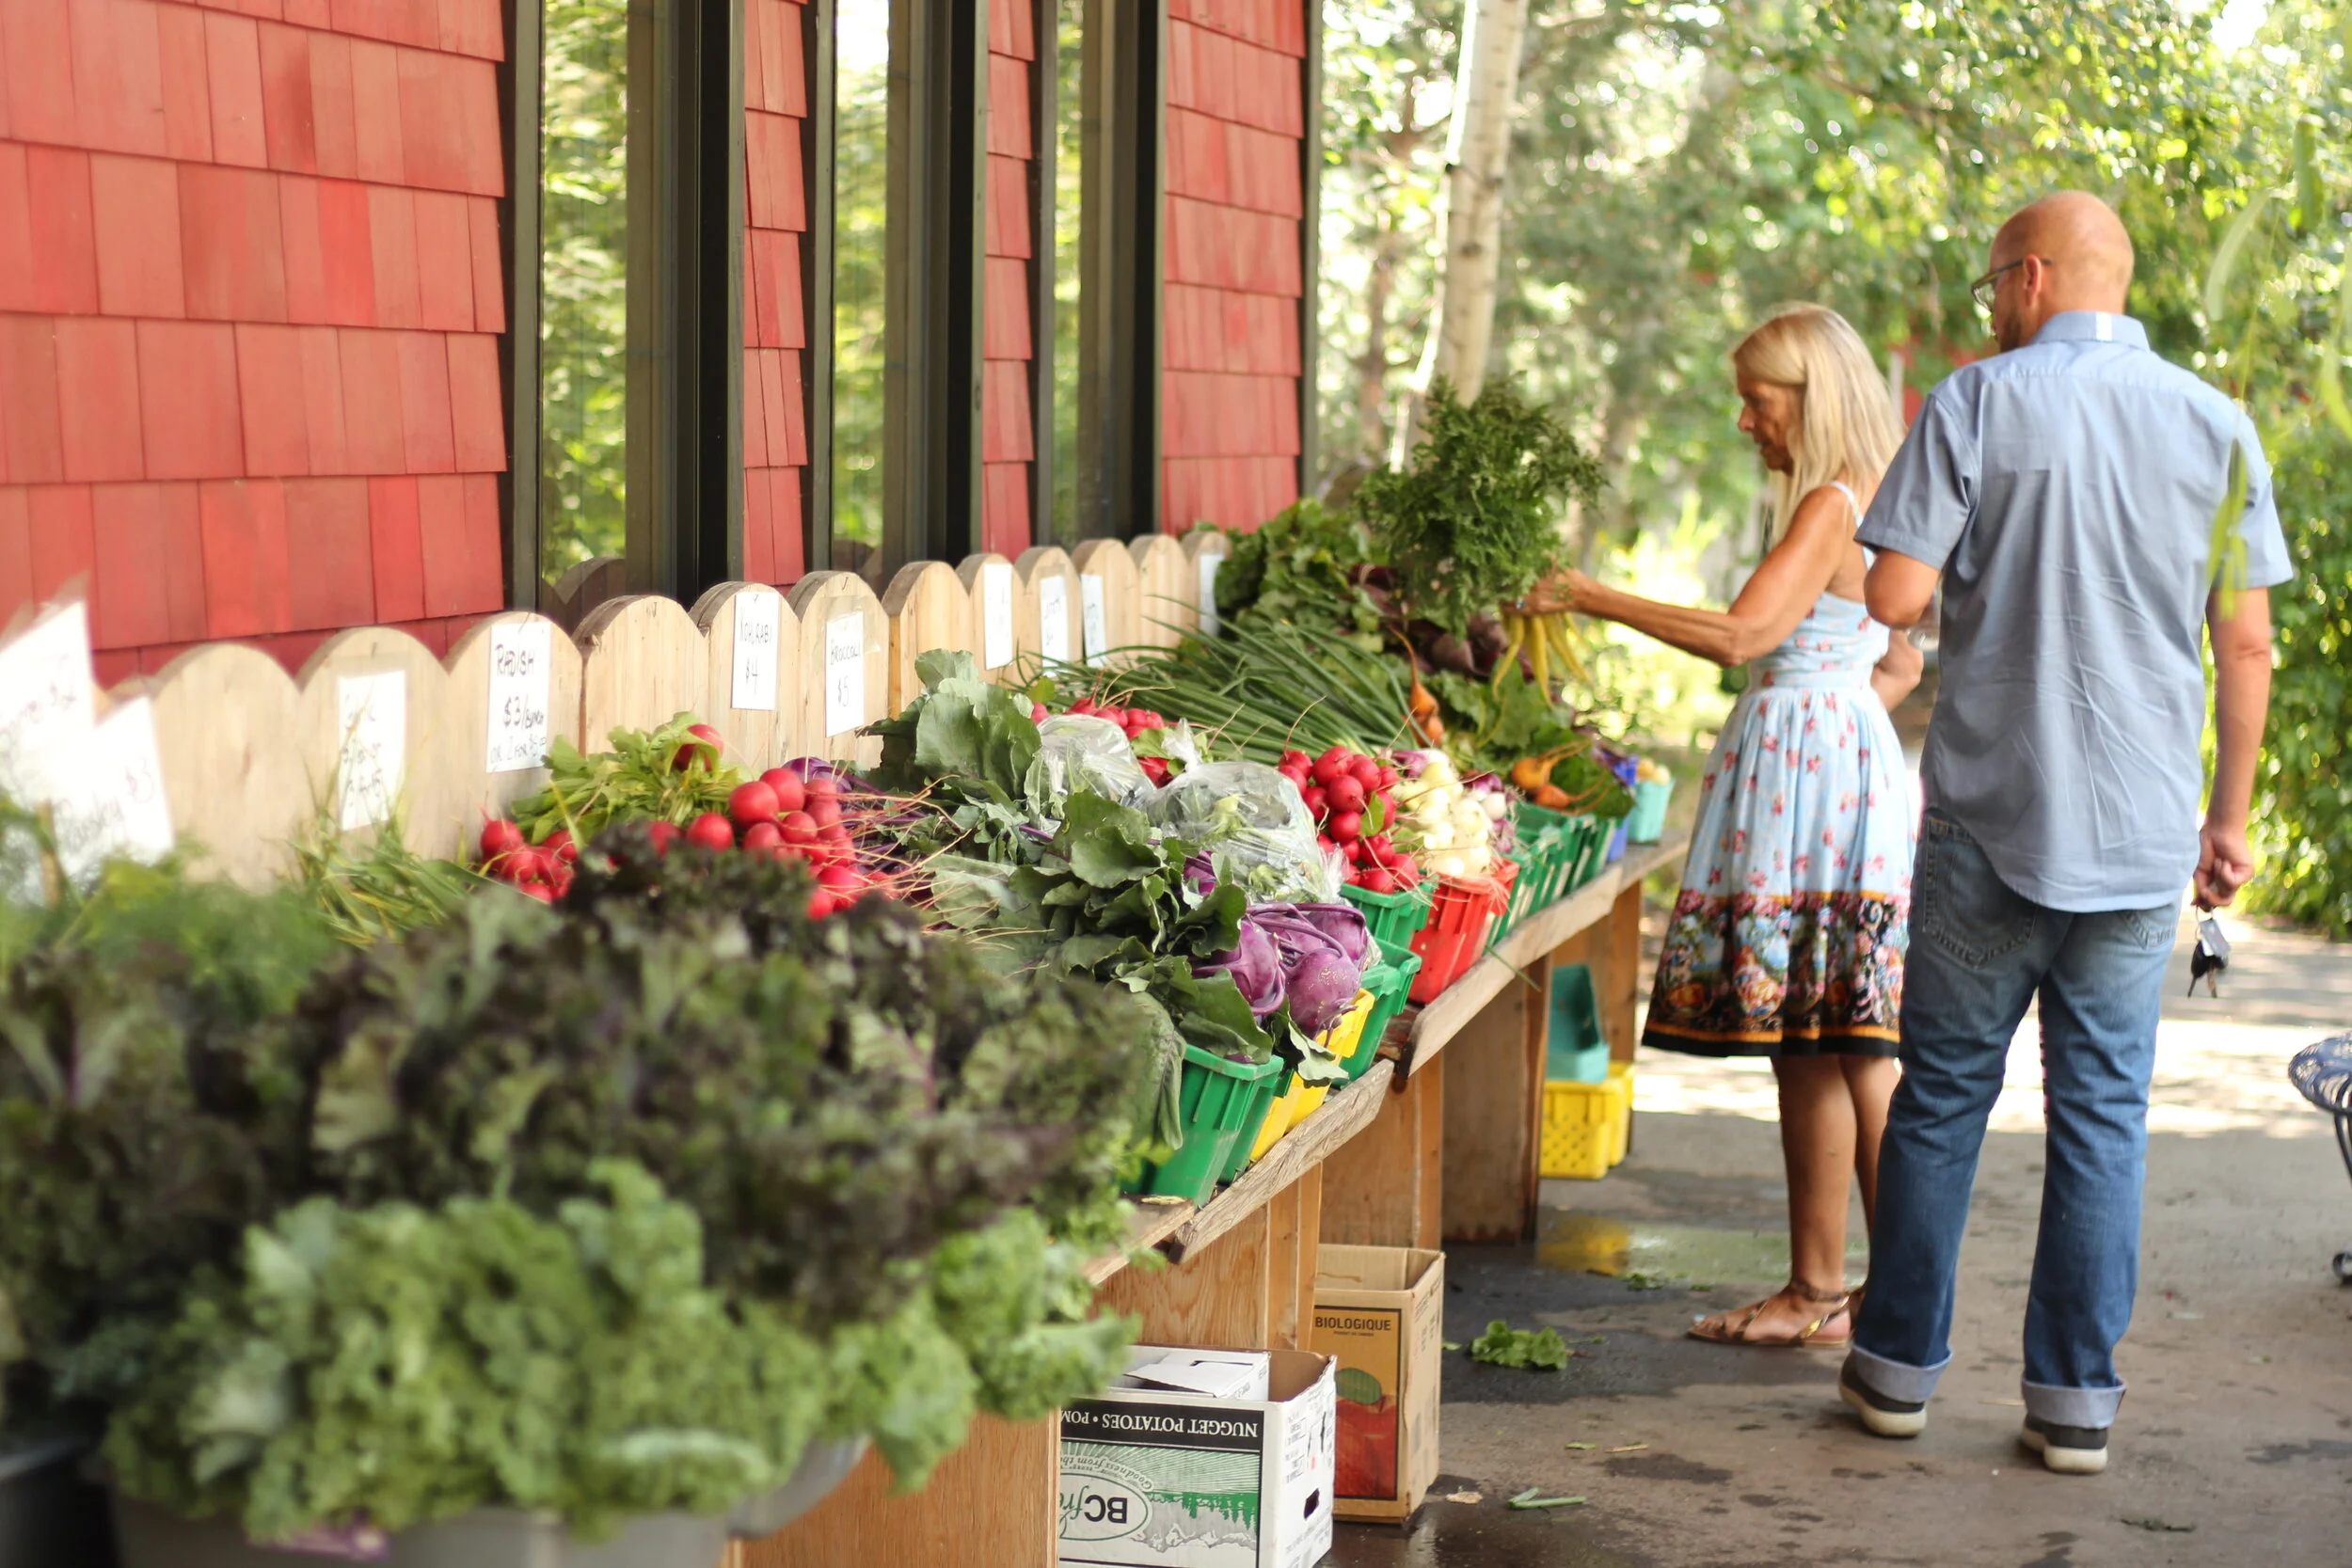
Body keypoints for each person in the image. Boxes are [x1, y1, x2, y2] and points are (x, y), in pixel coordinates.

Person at [1836, 192, 2289, 1476]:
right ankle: (2074, 1404)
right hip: (2144, 831)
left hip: (1990, 814)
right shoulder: (2218, 423)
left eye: (1992, 283)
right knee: (2101, 1115)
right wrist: (2230, 819)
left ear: (2032, 277)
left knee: (1940, 1104)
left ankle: (1895, 1375)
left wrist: (1948, 570)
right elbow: (2245, 636)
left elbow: (1896, 593)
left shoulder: (1976, 404)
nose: (1989, 305)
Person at [1534, 303, 1924, 1347]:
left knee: (1848, 1043)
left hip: (1810, 790)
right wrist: (1834, 727)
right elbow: (1899, 662)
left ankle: (1887, 1302)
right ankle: (1834, 1292)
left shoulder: (1831, 504)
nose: (1745, 421)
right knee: (1830, 1036)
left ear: (1810, 394)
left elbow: (1745, 632)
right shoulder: (1875, 497)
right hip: (1838, 777)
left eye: (1756, 400)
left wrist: (1583, 592)